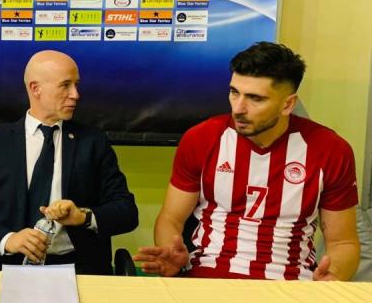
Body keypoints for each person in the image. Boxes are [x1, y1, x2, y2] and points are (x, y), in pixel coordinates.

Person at [133, 42, 360, 280]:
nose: (239, 108)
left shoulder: (331, 150)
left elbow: (343, 242)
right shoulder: (201, 139)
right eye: (234, 92)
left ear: (288, 104)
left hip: (290, 283)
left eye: (255, 98)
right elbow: (170, 219)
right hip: (206, 277)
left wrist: (333, 276)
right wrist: (171, 253)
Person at [0, 50, 138, 275]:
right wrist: (9, 240)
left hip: (78, 268)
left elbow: (126, 212)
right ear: (36, 89)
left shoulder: (93, 143)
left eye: (76, 85)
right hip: (9, 267)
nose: (75, 95)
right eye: (65, 85)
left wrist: (83, 217)